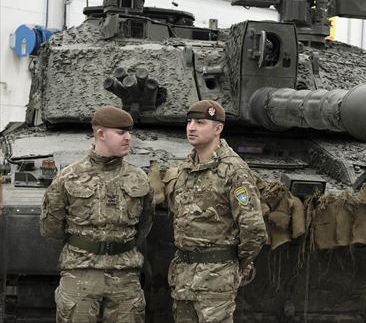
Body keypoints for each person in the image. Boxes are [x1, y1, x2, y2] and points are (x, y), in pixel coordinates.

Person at [40, 105, 154, 322]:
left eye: (129, 132)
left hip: (126, 277)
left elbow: (145, 222)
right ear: (101, 134)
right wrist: (84, 251)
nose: (129, 138)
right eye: (121, 133)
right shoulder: (69, 177)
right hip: (80, 274)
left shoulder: (139, 178)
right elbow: (51, 227)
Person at [164, 100, 268, 323]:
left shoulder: (233, 171)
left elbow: (253, 227)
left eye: (200, 123)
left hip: (216, 278)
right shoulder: (185, 168)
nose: (191, 127)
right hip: (184, 275)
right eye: (189, 122)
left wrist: (238, 264)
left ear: (217, 128)